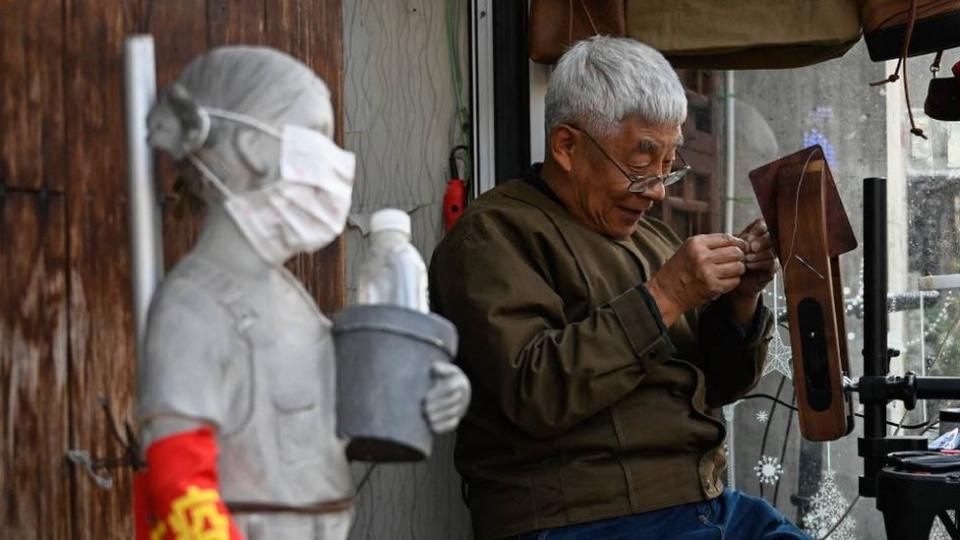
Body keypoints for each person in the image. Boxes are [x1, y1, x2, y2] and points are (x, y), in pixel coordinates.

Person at [429, 37, 809, 539]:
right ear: (567, 145)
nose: (655, 190)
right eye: (641, 161)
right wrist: (667, 295)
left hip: (705, 503)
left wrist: (742, 298)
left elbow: (720, 384)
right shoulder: (493, 235)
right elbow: (532, 393)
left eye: (669, 164)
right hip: (583, 517)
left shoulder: (647, 235)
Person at [136, 46, 470, 540]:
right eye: (315, 137)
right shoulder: (194, 304)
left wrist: (426, 392)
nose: (334, 162)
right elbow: (175, 471)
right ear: (252, 146)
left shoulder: (290, 298)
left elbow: (331, 418)